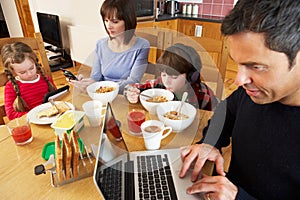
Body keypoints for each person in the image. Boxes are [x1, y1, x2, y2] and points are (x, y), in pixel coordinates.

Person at [179, 0, 300, 199]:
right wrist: (211, 142)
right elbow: (227, 111)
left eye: (256, 67)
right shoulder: (251, 93)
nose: (239, 80)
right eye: (239, 64)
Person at [69, 0, 150, 94]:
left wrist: (102, 87)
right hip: (102, 95)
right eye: (106, 21)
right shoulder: (100, 45)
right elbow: (96, 77)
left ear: (128, 21)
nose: (108, 26)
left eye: (115, 22)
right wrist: (86, 82)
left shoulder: (142, 46)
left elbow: (133, 81)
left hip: (127, 96)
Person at [125, 43, 219, 111]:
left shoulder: (204, 94)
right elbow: (131, 87)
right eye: (164, 74)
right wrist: (131, 93)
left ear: (191, 76)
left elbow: (220, 116)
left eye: (174, 77)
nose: (166, 82)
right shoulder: (160, 83)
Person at [2, 42, 56, 120]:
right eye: (22, 72)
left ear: (35, 62)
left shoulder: (46, 79)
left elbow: (58, 100)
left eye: (31, 68)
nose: (30, 74)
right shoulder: (10, 87)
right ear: (13, 72)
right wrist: (35, 115)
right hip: (30, 124)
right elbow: (11, 115)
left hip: (52, 119)